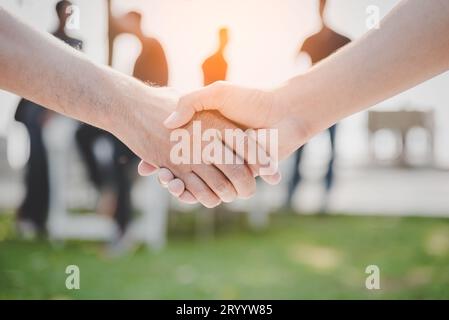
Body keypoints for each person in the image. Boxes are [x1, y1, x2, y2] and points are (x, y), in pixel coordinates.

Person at [158, 0, 449, 202]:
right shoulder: (326, 38)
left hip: (326, 110)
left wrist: (291, 107)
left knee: (324, 152)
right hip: (318, 110)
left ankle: (317, 194)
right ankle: (301, 194)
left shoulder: (323, 38)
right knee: (307, 152)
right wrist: (288, 108)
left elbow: (318, 62)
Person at [0, 6, 279, 209]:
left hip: (161, 119)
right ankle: (104, 188)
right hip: (149, 118)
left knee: (119, 159)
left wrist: (152, 112)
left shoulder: (151, 47)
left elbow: (162, 86)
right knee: (89, 140)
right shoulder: (142, 49)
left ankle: (112, 200)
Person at [14, 0, 83, 236]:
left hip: (52, 113)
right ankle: (30, 217)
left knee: (48, 165)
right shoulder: (47, 38)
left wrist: (54, 111)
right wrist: (45, 110)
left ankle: (40, 219)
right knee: (36, 164)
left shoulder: (76, 43)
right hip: (35, 112)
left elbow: (73, 81)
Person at [286, 0, 351, 210]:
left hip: (333, 105)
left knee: (330, 151)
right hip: (311, 105)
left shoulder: (340, 39)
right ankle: (291, 195)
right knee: (300, 148)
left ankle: (326, 197)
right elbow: (296, 62)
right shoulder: (311, 40)